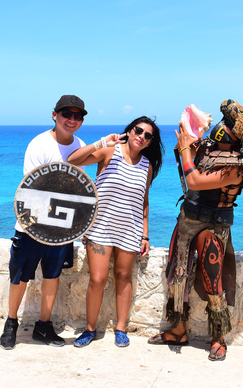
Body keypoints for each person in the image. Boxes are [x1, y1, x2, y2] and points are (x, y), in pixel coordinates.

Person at [148, 99, 243, 361]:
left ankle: (218, 337)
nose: (221, 125)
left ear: (237, 136)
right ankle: (178, 329)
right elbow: (187, 173)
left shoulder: (237, 167)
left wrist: (185, 150)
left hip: (214, 226)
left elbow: (194, 180)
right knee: (178, 274)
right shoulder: (207, 148)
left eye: (227, 124)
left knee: (213, 281)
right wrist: (190, 139)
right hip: (188, 217)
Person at [0, 94, 88, 350]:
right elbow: (33, 187)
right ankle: (11, 323)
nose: (71, 120)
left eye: (77, 116)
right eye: (66, 114)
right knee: (20, 277)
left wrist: (80, 224)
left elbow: (78, 190)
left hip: (61, 229)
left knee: (52, 276)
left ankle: (44, 326)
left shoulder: (79, 145)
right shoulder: (39, 144)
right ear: (55, 115)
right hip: (32, 225)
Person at [67, 117, 164, 348]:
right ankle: (90, 330)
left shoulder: (146, 166)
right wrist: (101, 142)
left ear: (150, 142)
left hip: (129, 230)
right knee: (97, 279)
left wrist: (145, 234)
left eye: (147, 135)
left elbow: (144, 202)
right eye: (138, 130)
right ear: (129, 132)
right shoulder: (110, 152)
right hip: (100, 227)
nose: (141, 136)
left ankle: (120, 328)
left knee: (123, 278)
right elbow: (73, 160)